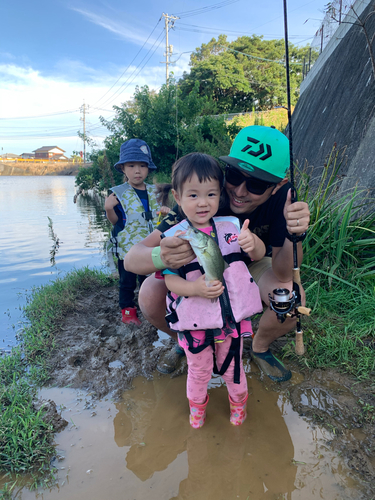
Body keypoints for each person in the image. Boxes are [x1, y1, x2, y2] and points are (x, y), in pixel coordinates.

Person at [124, 126, 310, 379]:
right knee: (148, 293)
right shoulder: (203, 196)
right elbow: (132, 258)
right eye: (234, 175)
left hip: (250, 264)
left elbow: (283, 272)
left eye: (256, 184)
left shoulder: (285, 202)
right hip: (198, 269)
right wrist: (162, 257)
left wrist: (294, 233)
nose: (240, 190)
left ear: (277, 186)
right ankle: (186, 339)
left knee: (291, 300)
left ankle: (259, 347)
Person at [161, 152, 265, 428]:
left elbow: (258, 254)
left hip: (230, 320)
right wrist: (193, 287)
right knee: (199, 369)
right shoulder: (175, 236)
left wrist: (253, 243)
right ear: (178, 196)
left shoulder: (232, 226)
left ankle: (238, 410)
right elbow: (170, 280)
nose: (203, 203)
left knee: (233, 367)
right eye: (193, 195)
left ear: (220, 195)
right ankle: (197, 413)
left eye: (211, 194)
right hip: (196, 321)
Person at [104, 138, 169, 325]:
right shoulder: (119, 194)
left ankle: (147, 307)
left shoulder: (154, 191)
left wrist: (165, 213)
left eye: (142, 165)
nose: (137, 170)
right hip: (127, 250)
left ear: (149, 168)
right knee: (127, 283)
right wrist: (109, 209)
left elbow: (159, 221)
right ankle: (127, 311)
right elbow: (117, 222)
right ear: (123, 169)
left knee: (149, 279)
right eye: (131, 165)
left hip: (148, 248)